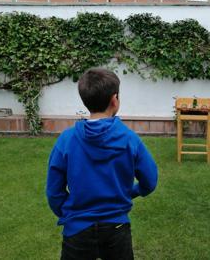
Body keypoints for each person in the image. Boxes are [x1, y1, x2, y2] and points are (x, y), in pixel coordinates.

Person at [46, 67, 158, 260]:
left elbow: (54, 191)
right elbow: (150, 181)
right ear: (115, 100)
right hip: (116, 229)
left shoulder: (66, 139)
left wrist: (68, 212)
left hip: (77, 231)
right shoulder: (130, 139)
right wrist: (133, 191)